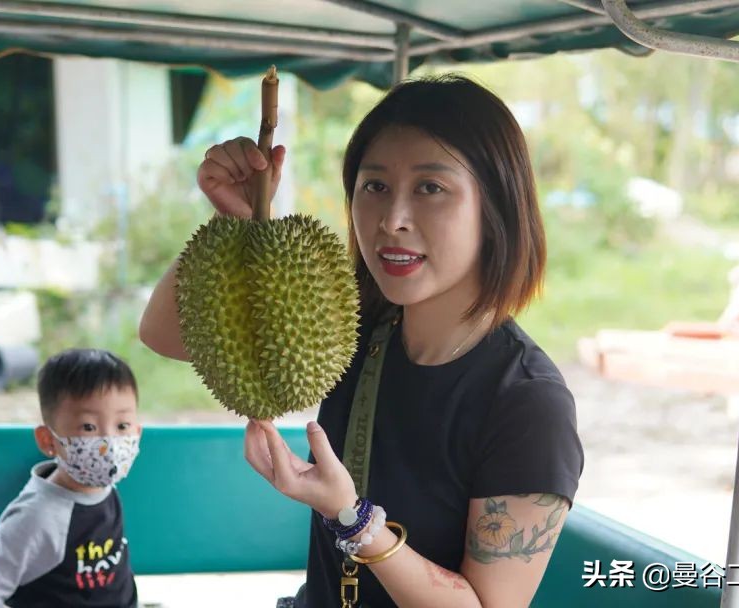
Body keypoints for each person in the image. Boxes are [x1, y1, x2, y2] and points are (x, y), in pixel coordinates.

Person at [140, 74, 584, 608]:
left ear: (496, 207)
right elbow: (164, 335)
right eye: (374, 186)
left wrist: (352, 518)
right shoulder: (355, 320)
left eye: (430, 188)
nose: (392, 220)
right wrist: (232, 219)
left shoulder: (527, 402)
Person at [0, 348, 142, 608]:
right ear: (49, 440)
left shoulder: (105, 490)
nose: (110, 443)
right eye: (89, 427)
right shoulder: (38, 515)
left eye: (122, 426)